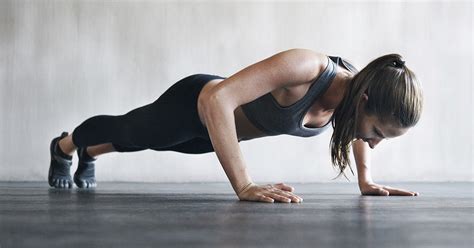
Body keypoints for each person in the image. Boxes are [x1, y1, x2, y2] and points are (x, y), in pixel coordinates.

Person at [48, 48, 423, 203]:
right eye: (379, 132)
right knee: (128, 130)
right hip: (193, 106)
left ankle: (91, 154)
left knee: (147, 142)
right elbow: (218, 99)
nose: (373, 142)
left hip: (216, 136)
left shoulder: (353, 100)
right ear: (364, 101)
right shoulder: (308, 68)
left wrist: (365, 180)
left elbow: (356, 132)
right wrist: (244, 184)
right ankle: (65, 146)